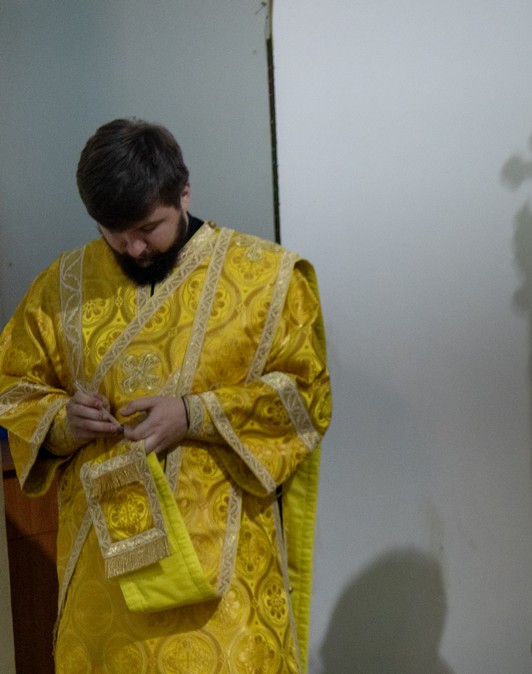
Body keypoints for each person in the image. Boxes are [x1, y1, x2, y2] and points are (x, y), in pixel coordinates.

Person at [0, 119, 332, 672]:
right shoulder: (62, 287)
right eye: (114, 232)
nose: (133, 247)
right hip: (104, 581)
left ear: (184, 193)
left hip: (224, 581)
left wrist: (195, 414)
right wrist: (61, 421)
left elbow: (305, 396)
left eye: (148, 227)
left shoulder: (266, 278)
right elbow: (14, 385)